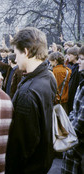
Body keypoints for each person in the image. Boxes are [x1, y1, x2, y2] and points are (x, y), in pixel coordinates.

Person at [5, 27, 57, 174]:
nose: (15, 59)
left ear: (26, 51)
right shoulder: (48, 76)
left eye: (16, 54)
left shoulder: (28, 92)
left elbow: (21, 146)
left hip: (28, 168)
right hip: (43, 162)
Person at [61, 45, 84, 174]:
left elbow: (81, 119)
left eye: (82, 59)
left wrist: (67, 134)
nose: (79, 61)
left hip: (77, 146)